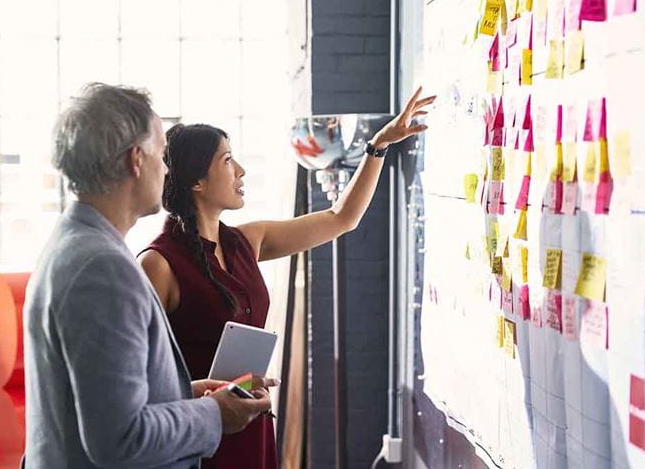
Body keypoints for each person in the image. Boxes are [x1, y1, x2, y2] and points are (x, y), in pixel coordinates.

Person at [138, 87, 436, 468]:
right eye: (228, 160)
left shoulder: (246, 240)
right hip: (201, 435)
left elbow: (340, 219)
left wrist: (378, 146)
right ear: (197, 182)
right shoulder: (158, 264)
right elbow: (138, 378)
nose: (240, 170)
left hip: (253, 422)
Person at [23, 83, 271, 469]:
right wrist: (213, 414)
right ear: (136, 160)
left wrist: (185, 396)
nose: (168, 168)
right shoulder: (101, 270)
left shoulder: (78, 242)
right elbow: (119, 439)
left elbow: (100, 402)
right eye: (161, 154)